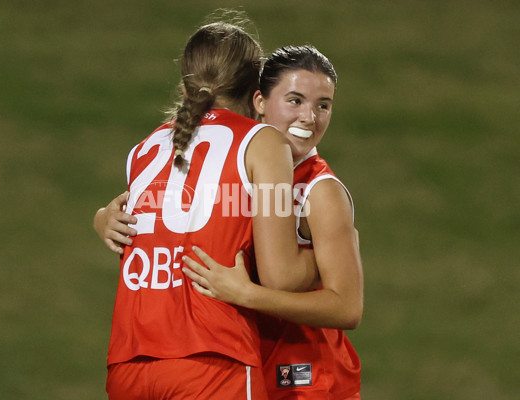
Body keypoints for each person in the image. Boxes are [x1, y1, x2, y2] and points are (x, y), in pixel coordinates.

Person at [98, 19, 316, 400]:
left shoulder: (145, 148)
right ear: (257, 93)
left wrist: (100, 217)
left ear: (185, 88)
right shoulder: (263, 142)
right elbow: (281, 277)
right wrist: (329, 254)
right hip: (211, 361)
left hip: (128, 366)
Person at [181, 45, 364, 400]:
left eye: (323, 105)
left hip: (308, 382)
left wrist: (250, 295)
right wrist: (107, 216)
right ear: (260, 101)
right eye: (295, 100)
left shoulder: (320, 190)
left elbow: (347, 307)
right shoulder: (237, 169)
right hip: (245, 371)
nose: (310, 117)